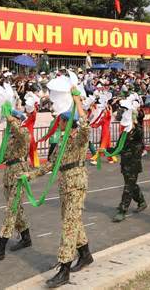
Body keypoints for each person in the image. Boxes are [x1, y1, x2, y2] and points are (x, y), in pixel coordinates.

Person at [27, 89, 94, 287]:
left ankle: (64, 269)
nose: (59, 123)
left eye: (61, 120)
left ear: (67, 122)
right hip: (65, 186)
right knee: (73, 222)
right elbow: (51, 165)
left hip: (76, 185)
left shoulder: (78, 138)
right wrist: (29, 176)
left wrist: (78, 104)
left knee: (68, 226)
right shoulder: (62, 141)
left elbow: (86, 126)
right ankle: (86, 255)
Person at [0, 111, 32, 262]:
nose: (8, 123)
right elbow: (3, 156)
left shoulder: (24, 132)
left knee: (11, 210)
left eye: (11, 120)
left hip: (19, 175)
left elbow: (20, 133)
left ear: (18, 120)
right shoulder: (10, 138)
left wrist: (10, 118)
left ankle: (0, 248)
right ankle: (26, 237)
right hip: (9, 175)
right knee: (16, 209)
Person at [113, 103, 148, 222]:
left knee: (128, 187)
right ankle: (141, 202)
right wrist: (106, 151)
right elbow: (117, 148)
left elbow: (139, 132)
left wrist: (135, 121)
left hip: (134, 164)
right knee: (132, 185)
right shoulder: (124, 134)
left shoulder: (137, 131)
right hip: (125, 164)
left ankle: (122, 210)